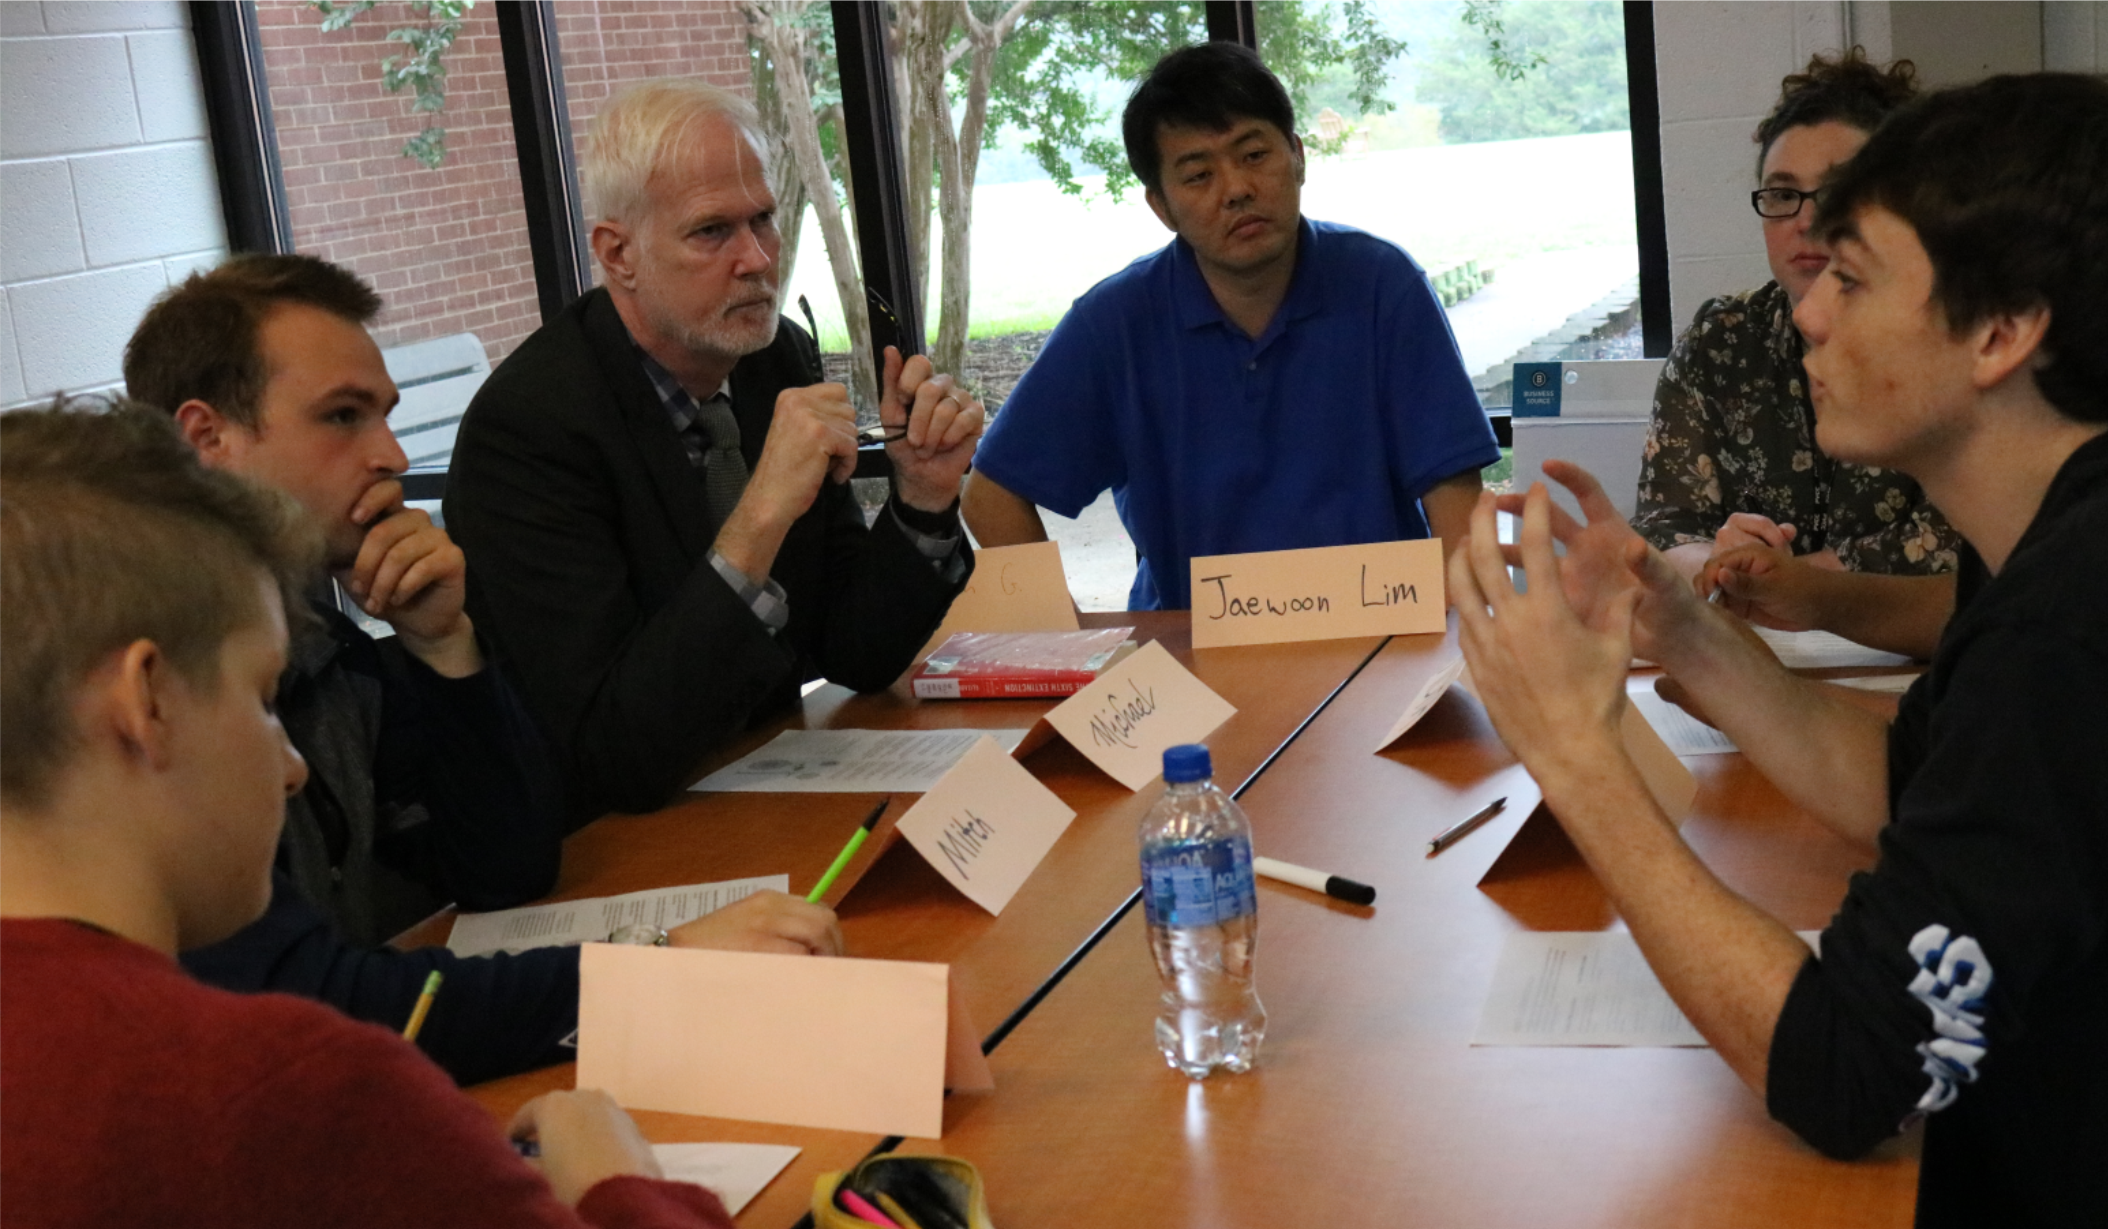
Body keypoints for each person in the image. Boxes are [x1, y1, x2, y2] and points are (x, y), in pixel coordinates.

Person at [1451, 73, 2108, 1226]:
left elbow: (1846, 1072)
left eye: (1851, 279)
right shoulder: (2036, 543)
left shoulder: (2064, 632)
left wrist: (1572, 752)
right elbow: (1905, 789)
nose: (1806, 310)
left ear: (1999, 332)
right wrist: (1684, 628)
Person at [0, 402, 733, 1228]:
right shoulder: (295, 1091)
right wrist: (619, 1182)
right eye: (263, 697)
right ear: (148, 702)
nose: (292, 765)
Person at [124, 255, 842, 1086]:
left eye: (385, 416)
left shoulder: (323, 638)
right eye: (342, 417)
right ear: (205, 439)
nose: (389, 453)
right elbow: (313, 1001)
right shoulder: (157, 682)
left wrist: (443, 646)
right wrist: (661, 964)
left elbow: (506, 867)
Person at [446, 79, 979, 821]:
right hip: (609, 845)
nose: (758, 258)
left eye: (763, 219)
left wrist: (921, 497)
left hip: (759, 790)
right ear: (618, 254)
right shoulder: (531, 431)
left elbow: (852, 649)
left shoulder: (772, 360)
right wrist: (758, 518)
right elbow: (611, 753)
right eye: (712, 232)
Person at [961, 41, 1498, 611]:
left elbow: (1456, 501)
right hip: (1189, 658)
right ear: (1161, 207)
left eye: (1253, 155)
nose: (1236, 189)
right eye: (1198, 175)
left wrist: (1447, 651)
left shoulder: (1381, 286)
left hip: (1381, 637)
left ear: (1297, 156)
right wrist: (1074, 652)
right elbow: (990, 496)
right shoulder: (1114, 324)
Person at [1633, 50, 1959, 658]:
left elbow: (1958, 544)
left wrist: (1790, 580)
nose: (1807, 222)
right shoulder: (1723, 338)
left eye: (1836, 193)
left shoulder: (1952, 336)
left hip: (1925, 660)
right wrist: (1721, 562)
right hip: (1761, 658)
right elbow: (1662, 528)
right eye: (1782, 195)